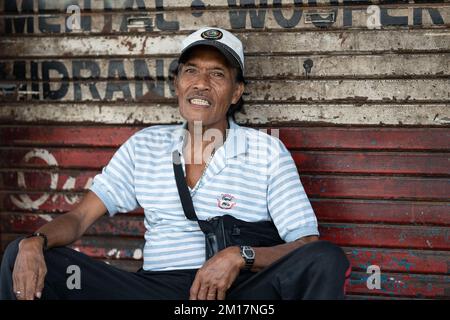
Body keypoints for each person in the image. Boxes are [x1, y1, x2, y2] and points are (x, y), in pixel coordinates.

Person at [0, 27, 350, 300]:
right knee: (22, 253)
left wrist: (239, 255)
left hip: (239, 295)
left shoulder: (267, 152)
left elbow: (306, 247)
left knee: (325, 259)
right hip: (154, 290)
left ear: (236, 91)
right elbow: (78, 220)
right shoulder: (146, 145)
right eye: (191, 70)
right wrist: (36, 240)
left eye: (217, 74)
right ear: (177, 83)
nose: (201, 83)